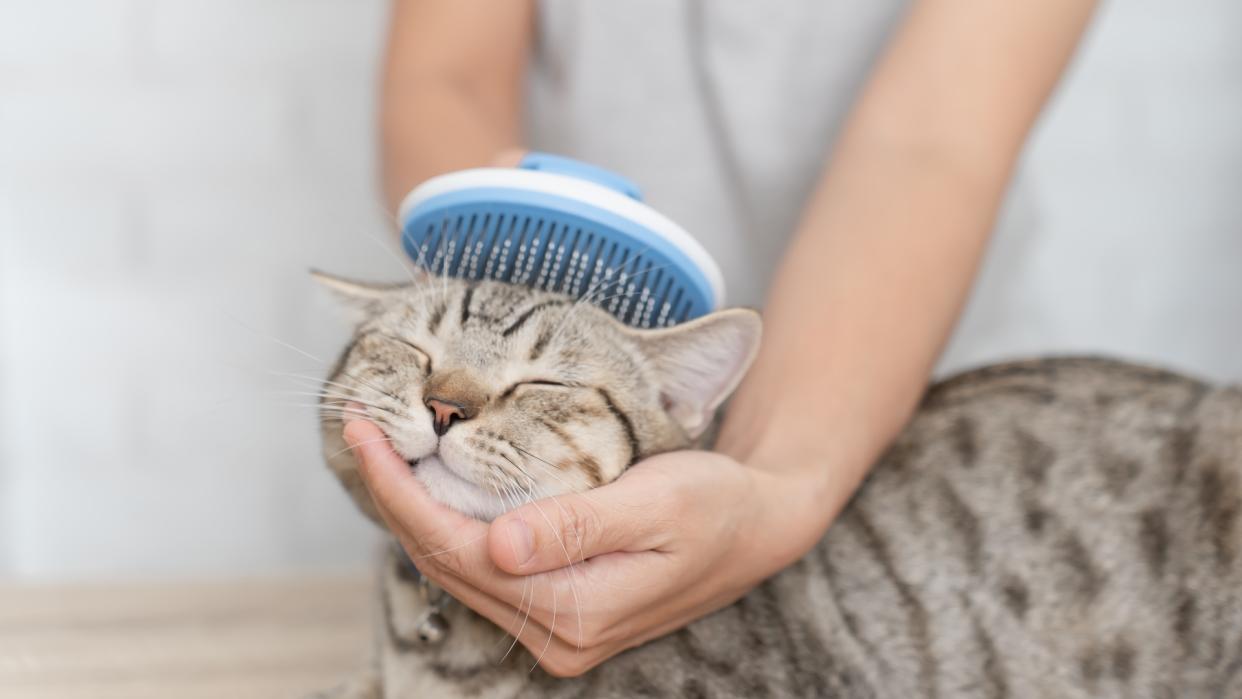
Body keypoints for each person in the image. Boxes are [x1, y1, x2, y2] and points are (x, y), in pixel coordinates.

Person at [343, 0, 1099, 678]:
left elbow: (931, 141)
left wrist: (776, 479)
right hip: (584, 416)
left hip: (911, 396)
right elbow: (446, 76)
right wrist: (482, 293)